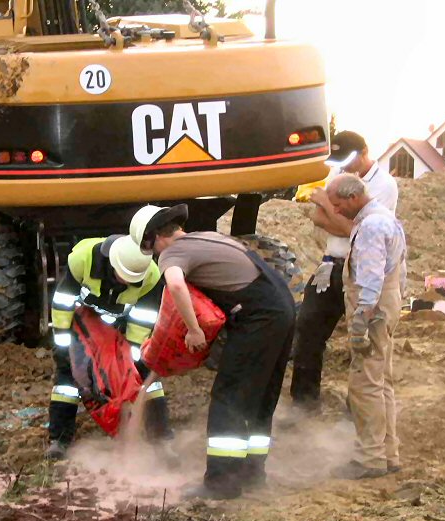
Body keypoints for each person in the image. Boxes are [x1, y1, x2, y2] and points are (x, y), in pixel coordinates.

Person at [129, 204, 295, 499]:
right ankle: (253, 473)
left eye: (148, 248)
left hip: (257, 318)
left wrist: (194, 330)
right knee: (260, 397)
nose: (153, 255)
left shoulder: (172, 253)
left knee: (228, 396)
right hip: (282, 309)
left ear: (155, 237)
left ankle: (221, 483)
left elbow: (176, 286)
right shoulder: (208, 237)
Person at [291, 131, 399, 412]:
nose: (344, 166)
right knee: (308, 328)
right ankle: (304, 403)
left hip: (362, 268)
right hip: (330, 264)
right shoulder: (337, 175)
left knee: (363, 341)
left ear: (364, 152)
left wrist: (328, 207)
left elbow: (358, 230)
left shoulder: (384, 185)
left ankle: (359, 410)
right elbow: (318, 218)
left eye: (348, 160)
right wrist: (337, 217)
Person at [46, 234, 173, 460]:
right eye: (123, 277)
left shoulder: (151, 277)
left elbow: (143, 319)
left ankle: (162, 438)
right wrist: (63, 342)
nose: (126, 283)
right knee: (68, 377)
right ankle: (59, 440)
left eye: (132, 280)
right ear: (111, 263)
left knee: (145, 375)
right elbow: (63, 303)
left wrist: (132, 357)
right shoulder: (82, 260)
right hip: (84, 318)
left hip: (123, 322)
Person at [326, 174, 406, 479]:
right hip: (388, 303)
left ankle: (370, 458)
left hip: (373, 309)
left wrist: (361, 321)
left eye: (337, 205)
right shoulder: (386, 218)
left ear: (353, 197)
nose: (335, 211)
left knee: (364, 384)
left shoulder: (371, 226)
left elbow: (371, 278)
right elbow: (400, 270)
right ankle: (388, 453)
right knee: (382, 380)